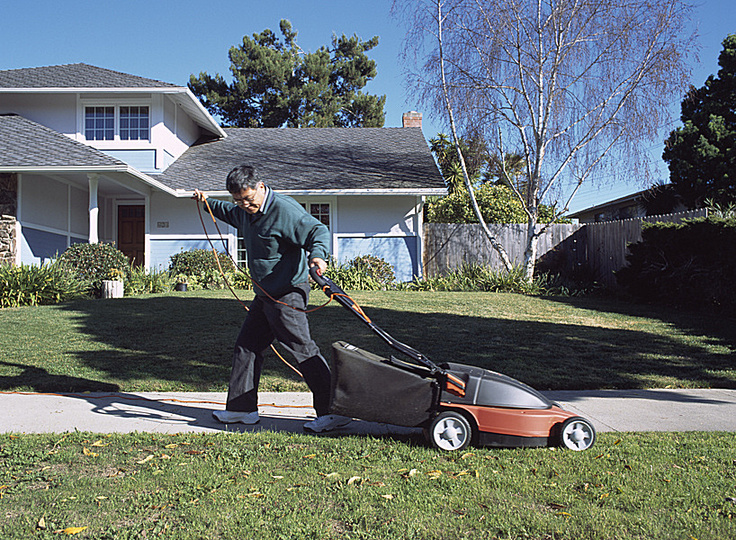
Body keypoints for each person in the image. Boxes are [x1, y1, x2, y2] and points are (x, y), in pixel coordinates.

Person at [193, 164, 351, 433]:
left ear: (261, 187)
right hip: (265, 295)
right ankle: (242, 410)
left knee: (302, 349)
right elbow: (227, 212)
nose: (244, 205)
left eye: (248, 199)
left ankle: (333, 412)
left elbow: (317, 231)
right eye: (239, 200)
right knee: (247, 346)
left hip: (288, 291)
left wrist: (318, 256)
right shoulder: (243, 211)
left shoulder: (284, 210)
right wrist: (206, 201)